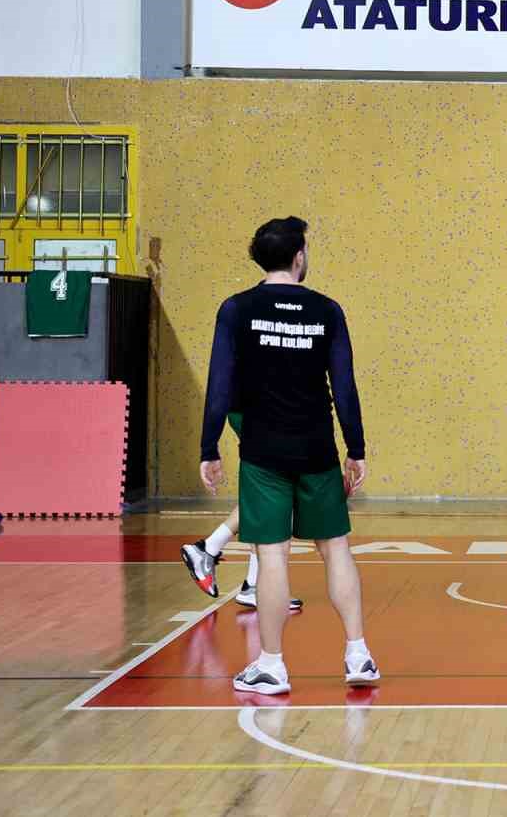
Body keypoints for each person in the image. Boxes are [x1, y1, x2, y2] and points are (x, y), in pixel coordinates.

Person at [197, 216, 378, 695]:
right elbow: (344, 385)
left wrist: (209, 445)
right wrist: (355, 448)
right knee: (335, 547)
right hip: (317, 447)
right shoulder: (327, 310)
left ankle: (271, 665)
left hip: (262, 452)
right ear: (299, 256)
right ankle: (358, 655)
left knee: (272, 555)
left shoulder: (236, 309)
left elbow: (219, 385)